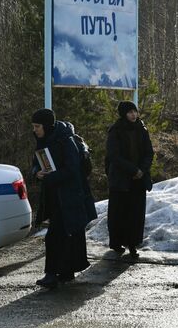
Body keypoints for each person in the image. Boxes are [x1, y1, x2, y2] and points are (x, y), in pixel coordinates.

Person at [31, 108, 95, 289]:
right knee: (67, 234)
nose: (35, 130)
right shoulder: (43, 139)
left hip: (69, 196)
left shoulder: (65, 141)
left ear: (47, 126)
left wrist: (50, 177)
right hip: (54, 196)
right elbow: (35, 163)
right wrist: (37, 173)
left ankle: (51, 274)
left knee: (55, 236)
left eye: (37, 126)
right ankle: (67, 271)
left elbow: (72, 169)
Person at [105, 101, 154, 260]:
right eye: (130, 112)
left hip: (138, 180)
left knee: (136, 214)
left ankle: (133, 244)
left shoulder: (142, 129)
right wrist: (133, 170)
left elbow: (149, 152)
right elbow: (114, 156)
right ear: (123, 114)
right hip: (120, 180)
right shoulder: (116, 130)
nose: (133, 115)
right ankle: (117, 243)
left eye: (135, 111)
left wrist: (142, 170)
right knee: (119, 213)